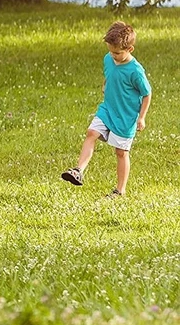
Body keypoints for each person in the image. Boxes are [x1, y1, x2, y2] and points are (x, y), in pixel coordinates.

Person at [62, 20, 152, 197]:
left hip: (125, 117)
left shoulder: (135, 71)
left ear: (130, 50)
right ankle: (78, 170)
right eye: (110, 51)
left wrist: (141, 118)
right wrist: (106, 84)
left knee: (121, 152)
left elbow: (147, 93)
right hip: (108, 109)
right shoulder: (108, 59)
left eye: (117, 53)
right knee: (91, 133)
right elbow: (109, 74)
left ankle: (120, 191)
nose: (113, 56)